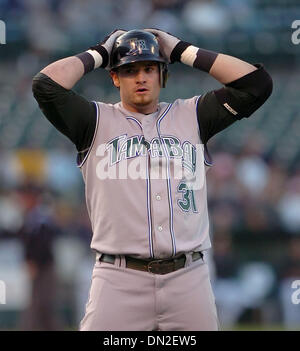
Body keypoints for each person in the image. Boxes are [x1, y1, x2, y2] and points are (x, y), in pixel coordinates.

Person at [32, 28, 273, 331]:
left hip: (189, 278)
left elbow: (256, 84)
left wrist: (182, 51)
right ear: (115, 77)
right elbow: (45, 86)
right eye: (130, 70)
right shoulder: (93, 121)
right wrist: (101, 53)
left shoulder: (194, 116)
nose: (141, 77)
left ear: (162, 74)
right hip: (119, 279)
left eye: (149, 68)